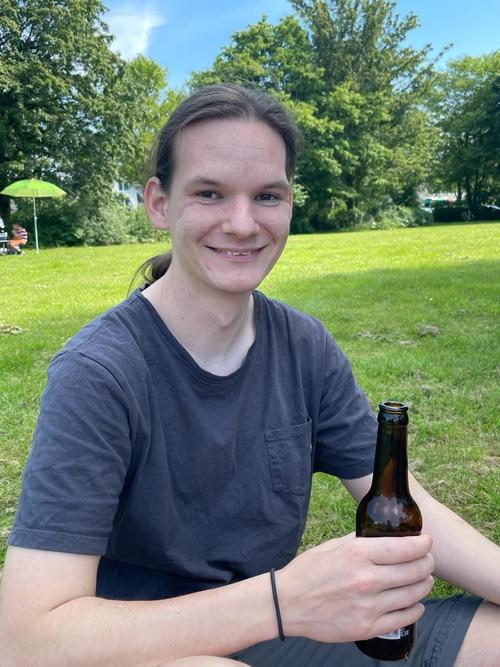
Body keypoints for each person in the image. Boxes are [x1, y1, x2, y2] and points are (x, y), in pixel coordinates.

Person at [0, 84, 498, 667]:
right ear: (159, 203)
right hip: (139, 648)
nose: (242, 224)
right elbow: (27, 640)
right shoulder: (99, 373)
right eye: (209, 193)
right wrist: (284, 602)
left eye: (266, 196)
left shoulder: (304, 347)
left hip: (275, 632)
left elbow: (402, 500)